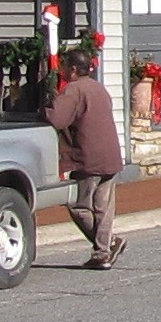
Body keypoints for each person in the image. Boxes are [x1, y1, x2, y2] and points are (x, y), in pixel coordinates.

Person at [47, 44, 126, 267]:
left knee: (78, 205)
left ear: (72, 69)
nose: (61, 70)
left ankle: (106, 246)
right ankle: (104, 250)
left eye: (64, 66)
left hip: (87, 157)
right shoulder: (99, 88)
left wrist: (44, 109)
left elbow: (57, 119)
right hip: (110, 155)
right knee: (103, 207)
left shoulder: (74, 90)